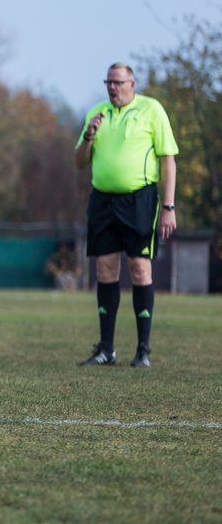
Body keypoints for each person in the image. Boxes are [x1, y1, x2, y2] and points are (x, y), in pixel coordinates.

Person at [74, 62, 178, 368]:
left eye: (118, 82)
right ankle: (106, 349)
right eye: (108, 82)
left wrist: (169, 207)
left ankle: (142, 350)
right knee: (105, 271)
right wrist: (89, 136)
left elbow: (168, 160)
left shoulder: (151, 110)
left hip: (140, 200)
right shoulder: (97, 112)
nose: (112, 87)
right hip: (102, 201)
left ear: (132, 84)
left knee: (138, 268)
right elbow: (79, 162)